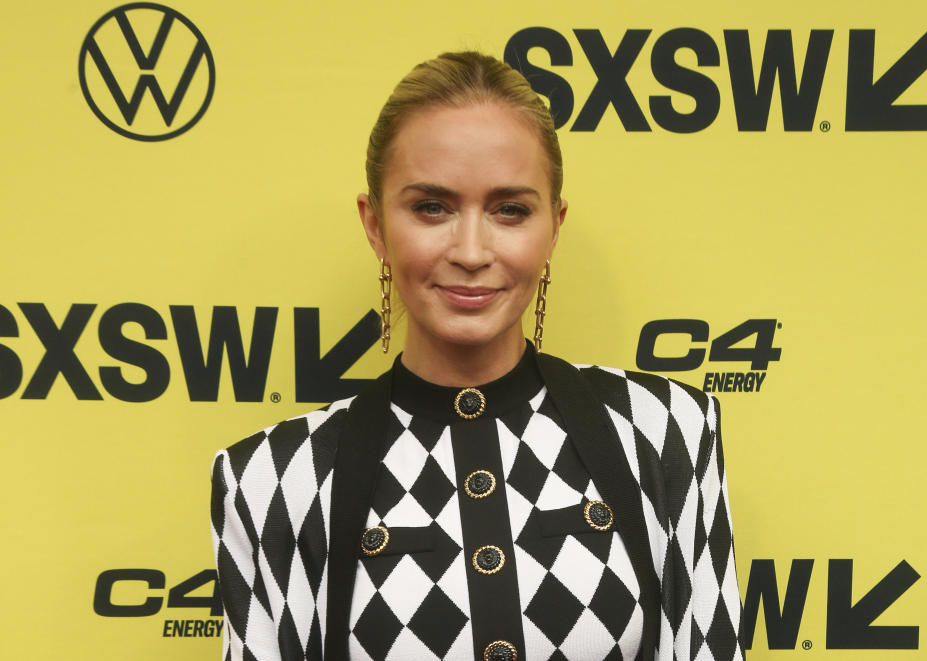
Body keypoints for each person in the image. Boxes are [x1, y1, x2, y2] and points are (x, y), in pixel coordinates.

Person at [211, 51, 744, 661]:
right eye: (431, 207)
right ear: (376, 225)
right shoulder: (275, 478)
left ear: (554, 226)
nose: (470, 250)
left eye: (509, 210)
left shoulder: (663, 430)